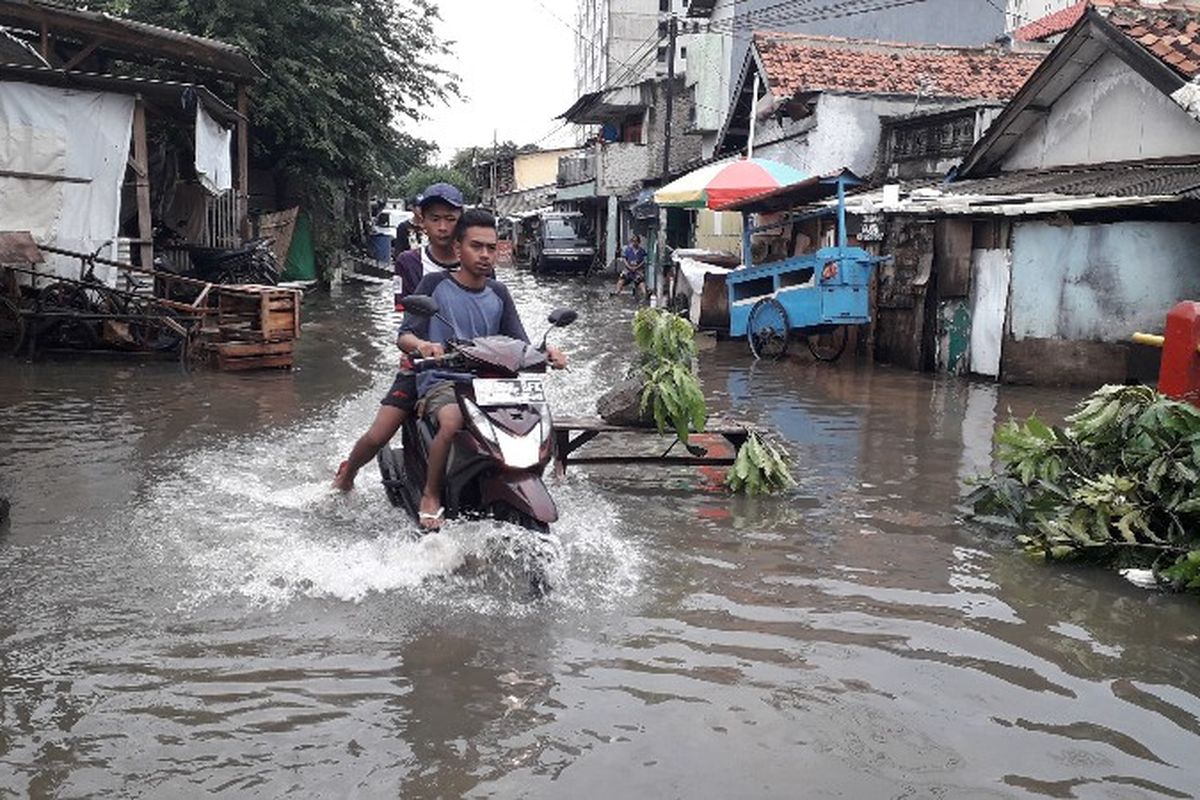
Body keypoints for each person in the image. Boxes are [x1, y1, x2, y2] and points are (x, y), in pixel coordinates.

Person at [399, 209, 568, 529]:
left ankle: (524, 478)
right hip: (445, 380)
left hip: (495, 383)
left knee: (536, 417)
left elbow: (520, 343)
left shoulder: (499, 292)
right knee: (451, 421)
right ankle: (432, 495)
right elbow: (405, 335)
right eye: (477, 246)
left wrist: (548, 353)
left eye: (491, 247)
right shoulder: (434, 284)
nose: (485, 254)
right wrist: (423, 346)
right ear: (458, 247)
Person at [332, 182, 465, 492]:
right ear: (421, 220)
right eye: (435, 218)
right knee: (380, 434)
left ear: (462, 219)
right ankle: (347, 473)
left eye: (450, 218)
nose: (443, 227)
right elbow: (406, 322)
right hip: (423, 364)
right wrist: (422, 347)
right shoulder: (410, 262)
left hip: (472, 365)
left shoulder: (477, 258)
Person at [613, 233, 647, 298]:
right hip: (628, 270)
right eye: (633, 241)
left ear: (639, 242)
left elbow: (644, 261)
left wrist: (637, 267)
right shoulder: (628, 250)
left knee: (641, 284)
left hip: (638, 271)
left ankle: (644, 295)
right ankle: (616, 293)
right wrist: (629, 267)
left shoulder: (642, 251)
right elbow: (625, 260)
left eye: (636, 241)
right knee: (621, 280)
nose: (634, 243)